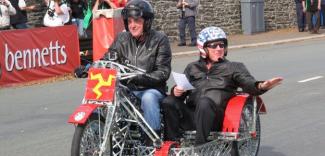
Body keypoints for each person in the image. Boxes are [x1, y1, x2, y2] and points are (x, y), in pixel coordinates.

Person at [162, 26, 283, 145]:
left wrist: (262, 85)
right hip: (193, 116)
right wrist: (176, 91)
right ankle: (172, 145)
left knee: (204, 102)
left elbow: (248, 83)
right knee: (168, 101)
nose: (219, 48)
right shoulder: (192, 67)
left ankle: (200, 149)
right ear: (203, 48)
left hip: (217, 118)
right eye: (214, 45)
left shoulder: (234, 67)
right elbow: (182, 91)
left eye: (222, 45)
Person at [104, 0, 171, 139]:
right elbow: (107, 59)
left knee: (148, 98)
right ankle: (110, 140)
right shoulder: (122, 38)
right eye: (129, 21)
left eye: (137, 21)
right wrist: (88, 68)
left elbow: (163, 72)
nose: (132, 25)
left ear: (146, 22)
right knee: (107, 95)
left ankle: (152, 143)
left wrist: (137, 78)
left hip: (151, 89)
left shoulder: (159, 39)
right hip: (127, 88)